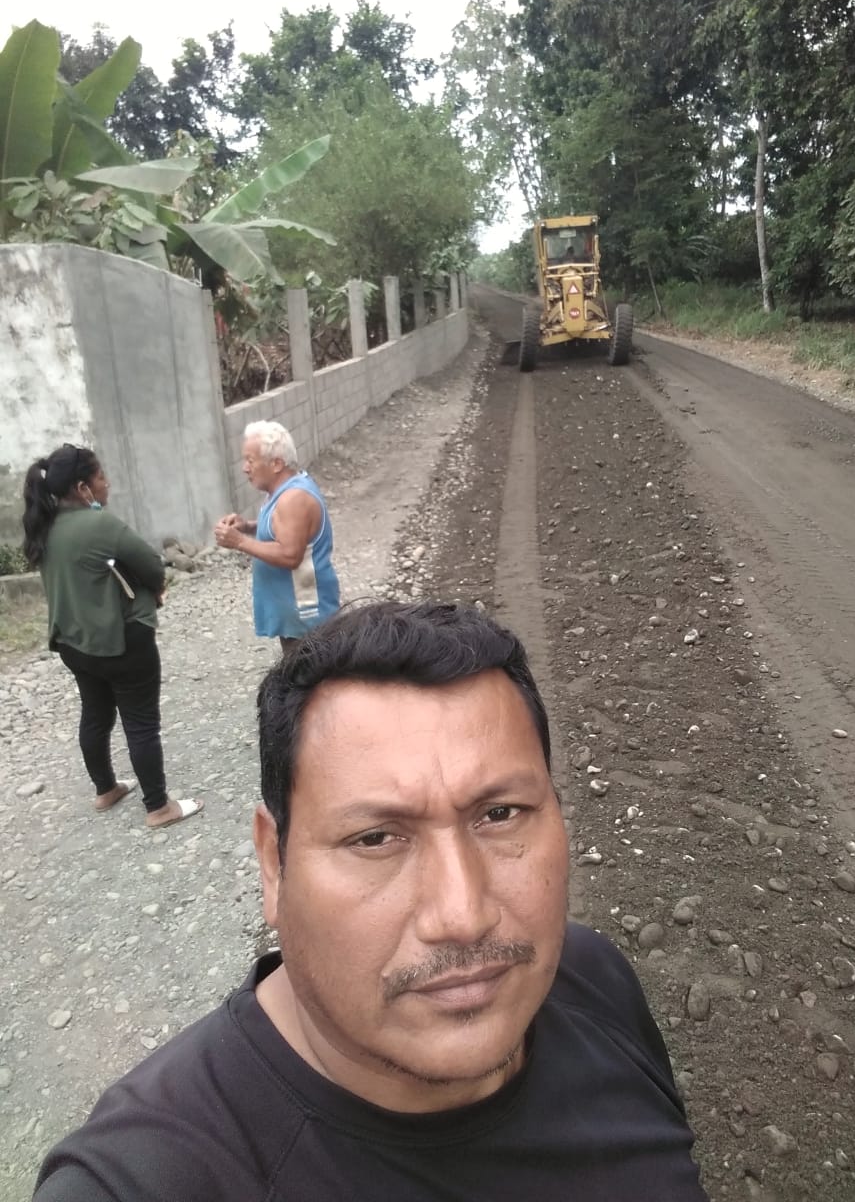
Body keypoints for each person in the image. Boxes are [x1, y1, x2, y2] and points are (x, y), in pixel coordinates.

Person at [34, 601, 707, 1201]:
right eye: (375, 838)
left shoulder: (593, 979)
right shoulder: (152, 1174)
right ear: (274, 864)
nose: (462, 915)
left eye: (500, 813)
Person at [21, 444, 203, 828]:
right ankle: (158, 807)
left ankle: (105, 789)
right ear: (82, 488)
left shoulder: (44, 527)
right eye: (101, 477)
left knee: (95, 713)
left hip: (72, 643)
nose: (107, 484)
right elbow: (153, 567)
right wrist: (153, 588)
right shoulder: (100, 524)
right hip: (120, 642)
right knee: (141, 723)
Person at [214, 420, 339, 653]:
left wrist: (239, 541)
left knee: (309, 672)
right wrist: (247, 526)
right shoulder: (282, 491)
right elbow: (284, 529)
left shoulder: (293, 498)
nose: (245, 468)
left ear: (277, 464)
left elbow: (290, 555)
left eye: (250, 460)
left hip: (307, 617)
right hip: (296, 616)